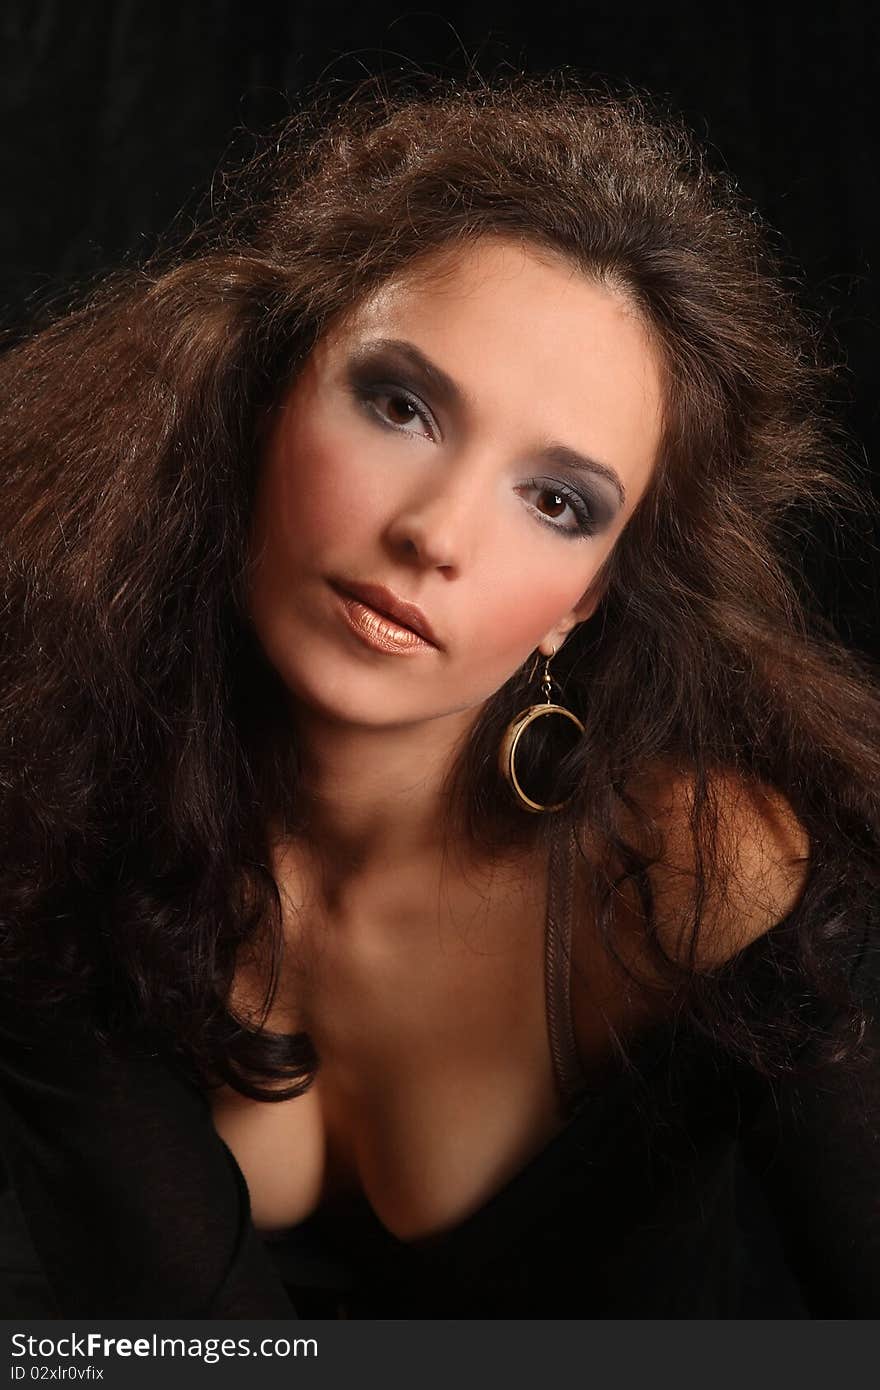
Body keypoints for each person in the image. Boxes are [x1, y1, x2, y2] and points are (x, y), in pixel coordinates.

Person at [0, 69, 878, 1320]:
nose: (435, 534)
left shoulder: (695, 877)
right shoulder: (57, 796)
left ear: (585, 600)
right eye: (400, 405)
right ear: (261, 399)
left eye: (556, 500)